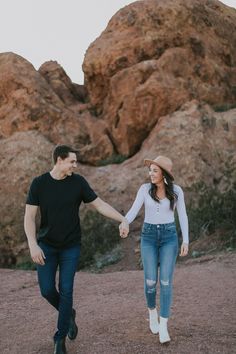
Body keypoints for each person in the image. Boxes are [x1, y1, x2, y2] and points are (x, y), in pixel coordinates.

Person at [24, 145, 129, 354]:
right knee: (46, 290)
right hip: (47, 246)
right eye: (72, 161)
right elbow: (29, 217)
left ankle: (59, 338)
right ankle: (69, 313)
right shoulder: (39, 184)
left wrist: (123, 218)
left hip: (71, 247)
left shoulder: (78, 182)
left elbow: (99, 205)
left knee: (66, 290)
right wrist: (33, 244)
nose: (75, 165)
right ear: (59, 160)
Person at [120, 155, 189, 344]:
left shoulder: (176, 191)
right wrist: (125, 221)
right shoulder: (144, 189)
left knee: (165, 281)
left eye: (155, 170)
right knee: (151, 281)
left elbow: (182, 215)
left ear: (164, 173)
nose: (150, 173)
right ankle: (152, 312)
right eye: (150, 170)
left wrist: (186, 241)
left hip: (169, 237)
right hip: (149, 237)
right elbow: (134, 210)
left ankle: (164, 326)